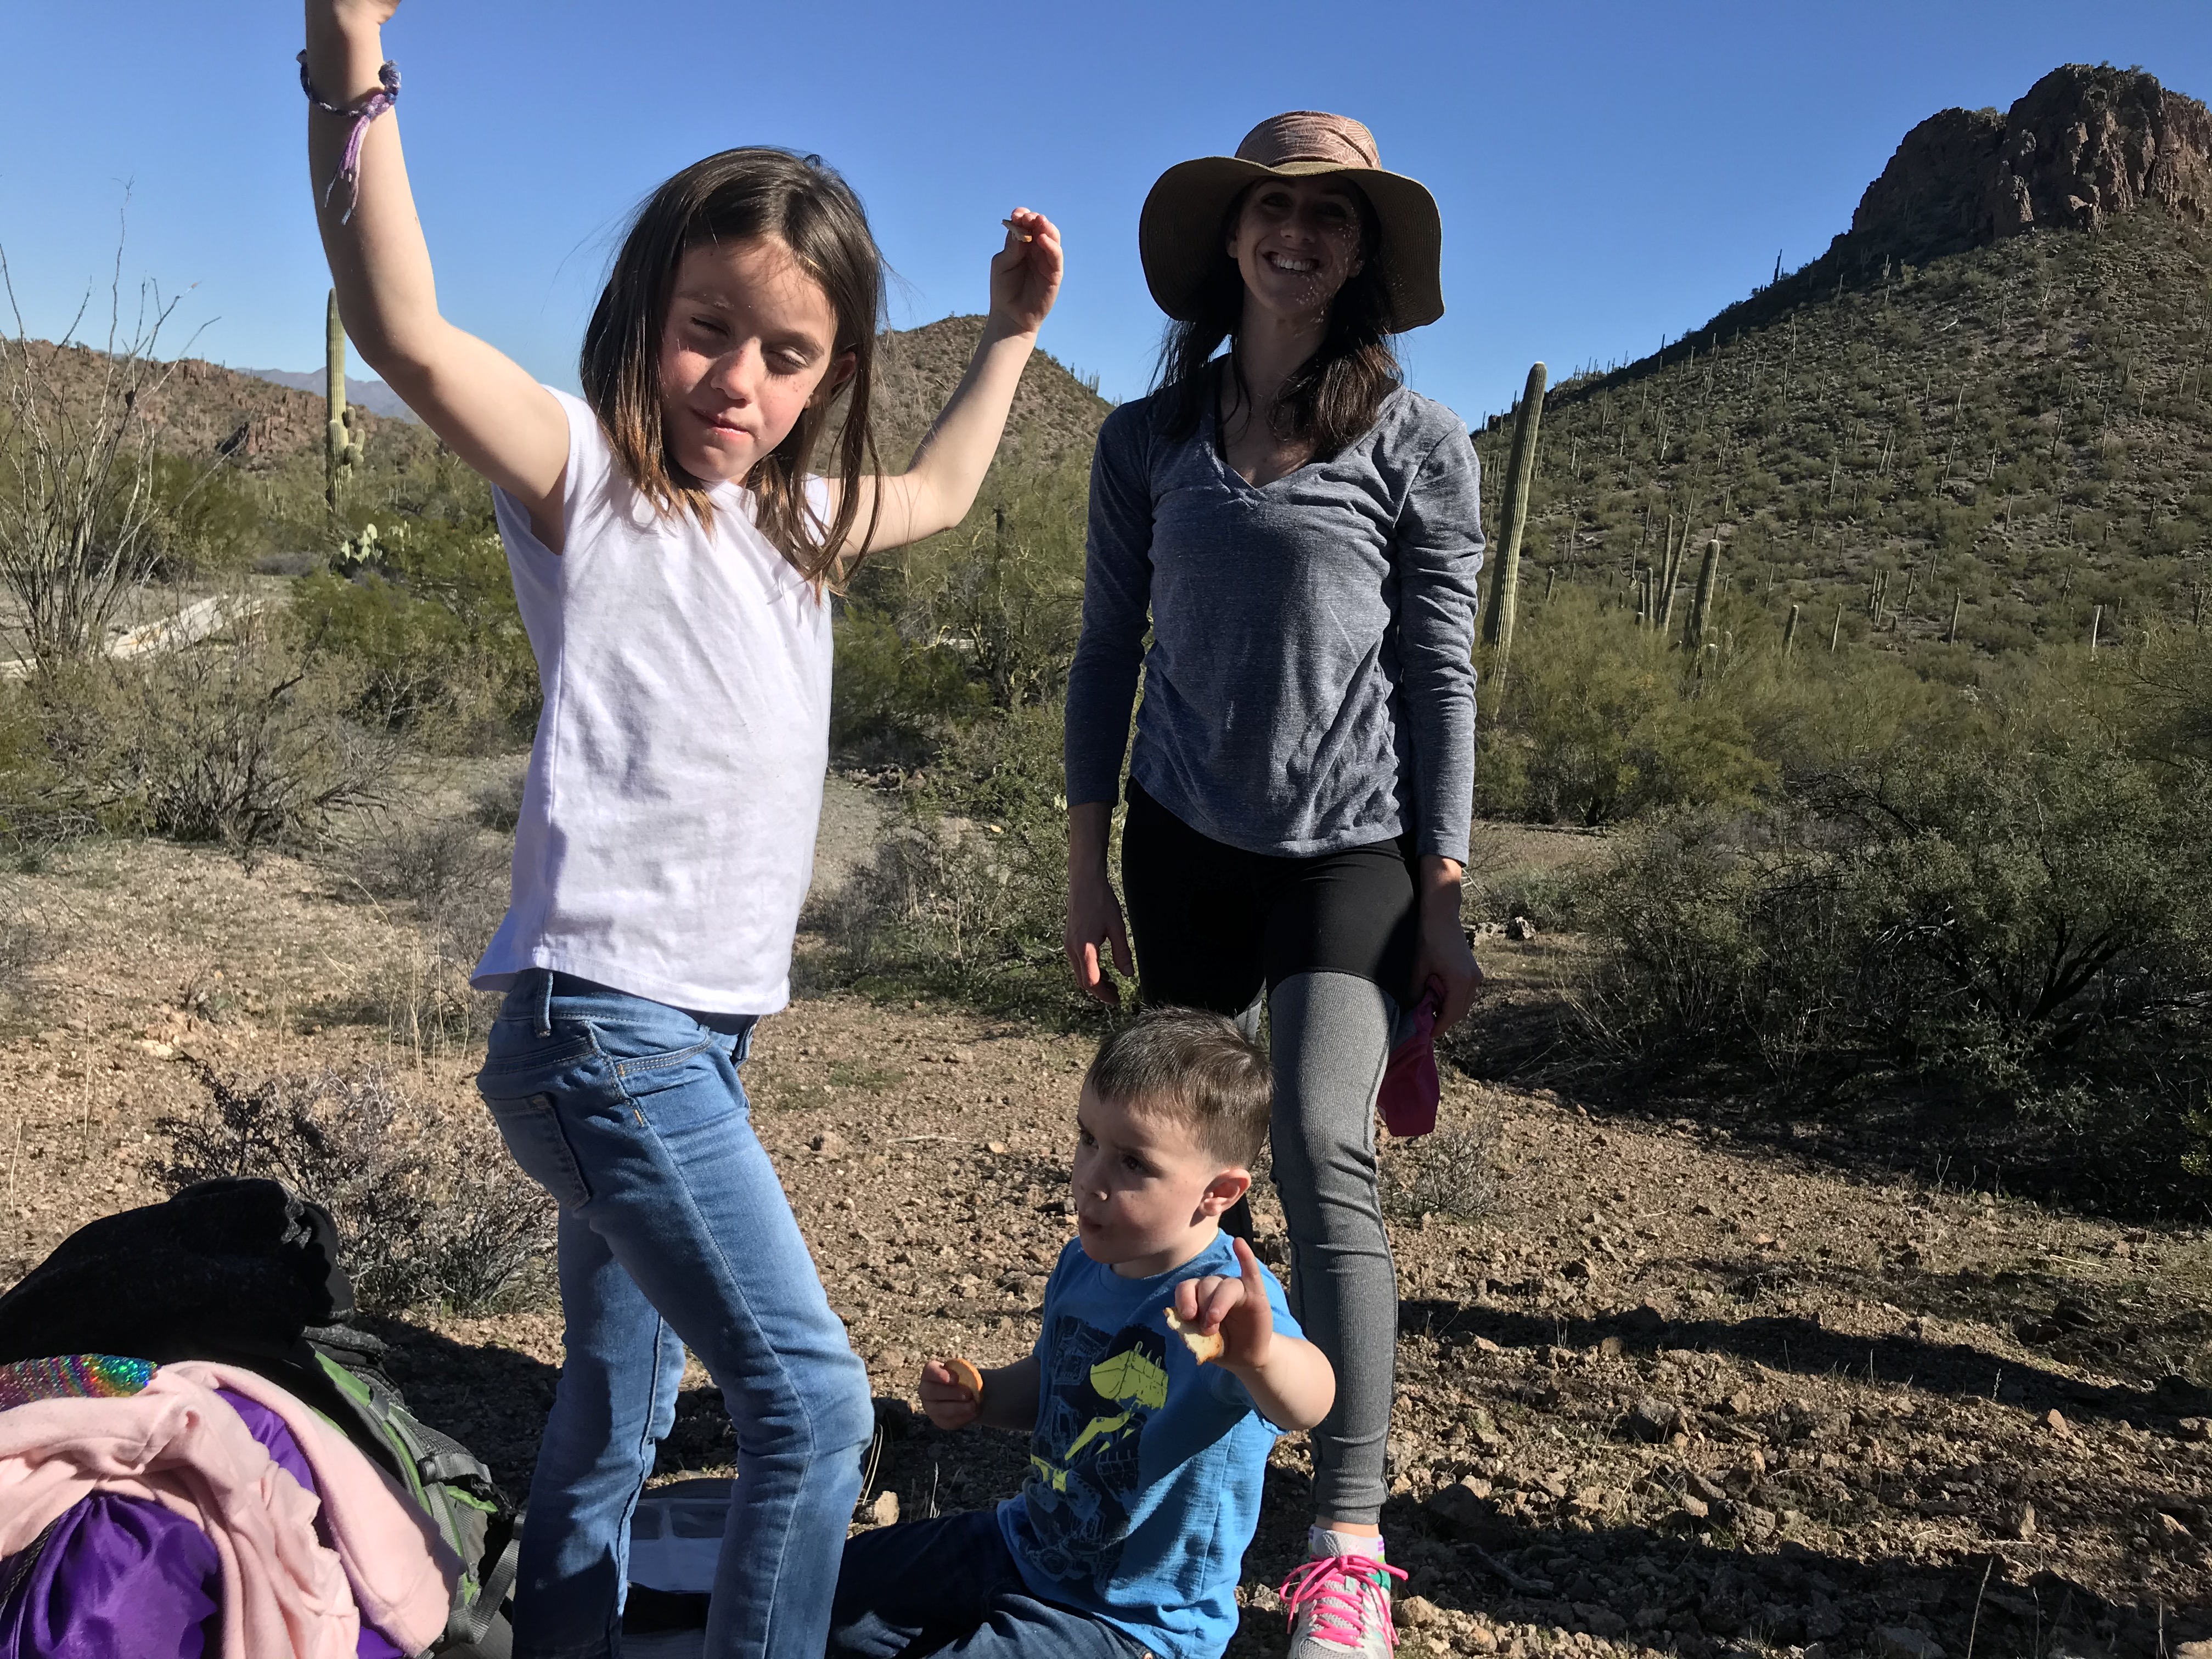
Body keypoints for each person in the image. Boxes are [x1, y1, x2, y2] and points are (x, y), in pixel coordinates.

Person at [300, 7, 1062, 1658]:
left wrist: (1005, 340)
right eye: (709, 330)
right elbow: (405, 326)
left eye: (787, 357)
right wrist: (351, 64)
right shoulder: (591, 484)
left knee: (618, 1412)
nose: (738, 379)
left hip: (694, 1046)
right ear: (651, 313)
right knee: (812, 1408)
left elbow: (932, 494)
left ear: (831, 375)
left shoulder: (792, 528)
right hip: (605, 1032)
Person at [1061, 112, 1484, 1659]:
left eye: (1330, 218)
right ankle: (1152, 1453)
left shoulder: (1419, 441)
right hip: (1181, 831)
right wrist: (1084, 862)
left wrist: (1441, 887)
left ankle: (1349, 1543)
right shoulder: (1146, 444)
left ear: (1361, 253)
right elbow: (1110, 652)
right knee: (1171, 1164)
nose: (1297, 236)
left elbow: (1439, 669)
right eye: (1273, 211)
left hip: (1351, 844)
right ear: (1231, 238)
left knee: (1317, 1142)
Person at [829, 1009, 1336, 1659]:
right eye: (1088, 1140)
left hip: (1129, 1620)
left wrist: (1259, 1359)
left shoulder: (1227, 1308)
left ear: (1218, 1191)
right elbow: (1054, 1385)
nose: (1091, 1178)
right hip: (1022, 1546)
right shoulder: (1083, 1263)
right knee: (834, 1591)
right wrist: (984, 1395)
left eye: (1132, 1162)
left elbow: (1311, 1399)